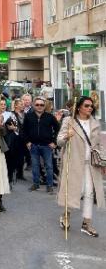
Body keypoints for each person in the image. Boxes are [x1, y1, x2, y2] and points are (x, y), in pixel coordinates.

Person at [56, 96, 105, 237]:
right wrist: (67, 136)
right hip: (73, 162)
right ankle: (66, 215)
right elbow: (59, 141)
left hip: (91, 164)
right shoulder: (68, 121)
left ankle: (87, 223)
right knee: (75, 190)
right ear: (79, 107)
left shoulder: (95, 123)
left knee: (89, 193)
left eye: (91, 106)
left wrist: (103, 162)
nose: (90, 108)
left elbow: (99, 145)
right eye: (86, 105)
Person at [23, 96, 60, 193]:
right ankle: (36, 184)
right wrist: (27, 142)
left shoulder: (50, 117)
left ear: (44, 106)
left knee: (49, 166)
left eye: (42, 105)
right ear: (34, 105)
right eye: (37, 105)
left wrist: (54, 142)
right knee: (35, 166)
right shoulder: (28, 116)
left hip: (47, 145)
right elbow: (24, 130)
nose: (39, 106)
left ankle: (50, 185)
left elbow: (58, 129)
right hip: (33, 145)